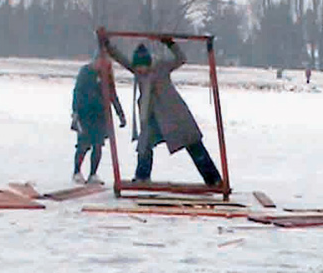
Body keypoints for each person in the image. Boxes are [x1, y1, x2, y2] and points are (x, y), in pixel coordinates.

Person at [101, 33, 222, 186]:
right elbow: (122, 59)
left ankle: (214, 179)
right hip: (153, 118)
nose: (140, 70)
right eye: (137, 67)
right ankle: (142, 177)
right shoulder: (139, 73)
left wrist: (170, 44)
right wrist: (107, 45)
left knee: (194, 145)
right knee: (144, 145)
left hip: (175, 115)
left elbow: (181, 59)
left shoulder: (161, 68)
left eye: (142, 66)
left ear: (148, 63)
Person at [71, 52, 126, 184]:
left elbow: (112, 94)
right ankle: (77, 172)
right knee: (83, 144)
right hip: (85, 114)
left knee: (98, 145)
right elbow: (77, 91)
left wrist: (120, 114)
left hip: (101, 115)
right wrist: (75, 111)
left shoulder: (107, 75)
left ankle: (93, 174)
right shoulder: (86, 72)